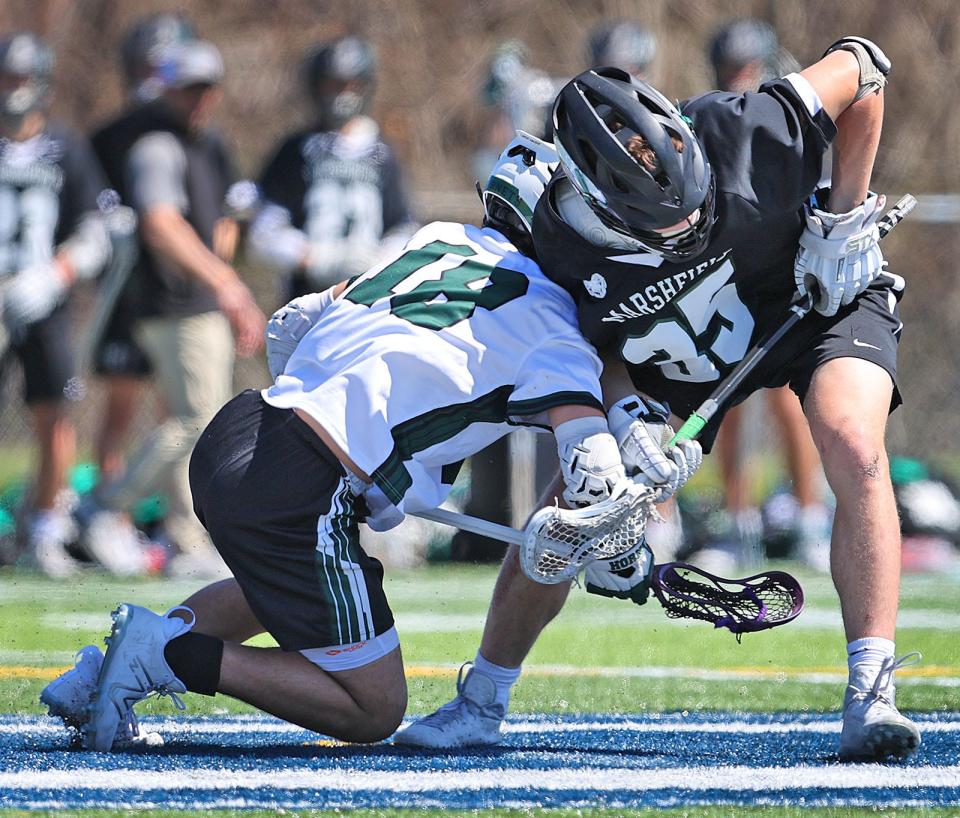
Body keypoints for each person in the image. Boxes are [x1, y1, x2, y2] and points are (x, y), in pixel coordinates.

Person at [40, 133, 699, 751]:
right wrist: (620, 540)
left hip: (243, 430)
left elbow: (291, 324)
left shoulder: (439, 239)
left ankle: (97, 676)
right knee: (372, 706)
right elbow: (589, 473)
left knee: (282, 587)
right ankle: (163, 658)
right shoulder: (555, 329)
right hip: (303, 486)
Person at [399, 40, 922, 762]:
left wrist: (842, 215)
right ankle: (482, 698)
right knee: (574, 507)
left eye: (694, 206)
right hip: (674, 357)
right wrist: (627, 416)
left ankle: (872, 687)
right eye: (662, 225)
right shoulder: (553, 241)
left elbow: (864, 68)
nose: (690, 228)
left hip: (815, 297)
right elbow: (578, 346)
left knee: (853, 442)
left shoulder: (742, 130)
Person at [84, 39, 266, 579]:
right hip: (173, 303)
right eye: (189, 87)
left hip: (195, 301)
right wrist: (226, 284)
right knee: (198, 420)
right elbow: (161, 224)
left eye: (206, 87)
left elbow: (223, 222)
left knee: (193, 418)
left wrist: (223, 277)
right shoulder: (157, 145)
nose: (199, 98)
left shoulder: (202, 144)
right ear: (166, 87)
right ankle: (104, 505)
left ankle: (185, 537)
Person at [699, 17, 828, 572]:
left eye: (747, 69)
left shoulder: (789, 119)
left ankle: (810, 517)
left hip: (788, 277)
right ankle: (739, 521)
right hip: (734, 280)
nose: (739, 80)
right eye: (732, 71)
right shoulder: (711, 120)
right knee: (727, 401)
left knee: (789, 401)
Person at [78, 14, 200, 577]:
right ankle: (114, 525)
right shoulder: (111, 136)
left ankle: (181, 528)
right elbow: (90, 205)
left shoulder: (192, 133)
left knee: (180, 415)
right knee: (123, 407)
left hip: (179, 296)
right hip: (131, 291)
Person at [0, 33, 111, 577]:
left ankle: (45, 526)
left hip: (44, 299)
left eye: (22, 78)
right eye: (6, 78)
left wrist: (54, 274)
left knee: (55, 414)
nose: (14, 90)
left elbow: (96, 231)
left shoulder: (66, 147)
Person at [248, 35, 416, 305]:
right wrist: (312, 257)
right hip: (307, 302)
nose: (344, 94)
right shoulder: (296, 151)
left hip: (367, 305)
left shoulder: (383, 153)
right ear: (317, 86)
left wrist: (377, 264)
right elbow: (264, 232)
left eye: (352, 84)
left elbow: (403, 228)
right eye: (334, 84)